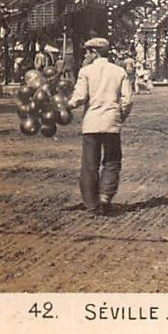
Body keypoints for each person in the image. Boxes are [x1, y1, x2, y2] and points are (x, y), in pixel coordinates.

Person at [68, 37, 133, 216]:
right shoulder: (119, 72)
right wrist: (120, 117)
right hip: (112, 122)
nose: (85, 56)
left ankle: (91, 204)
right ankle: (105, 196)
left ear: (94, 53)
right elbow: (127, 100)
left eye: (87, 52)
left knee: (89, 164)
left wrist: (66, 106)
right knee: (112, 161)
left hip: (91, 123)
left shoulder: (86, 71)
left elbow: (79, 97)